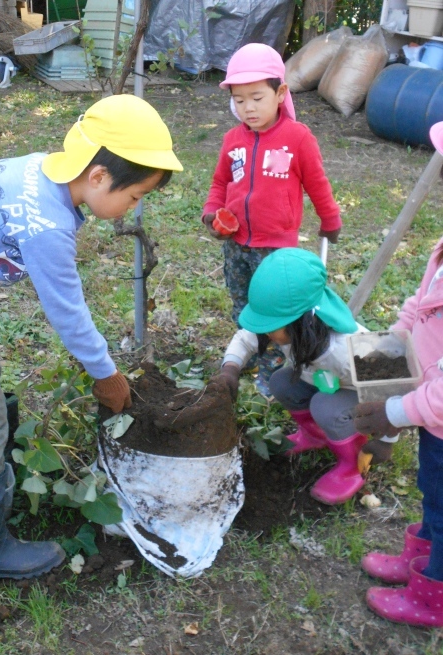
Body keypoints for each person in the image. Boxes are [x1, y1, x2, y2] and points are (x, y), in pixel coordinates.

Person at [0, 94, 183, 582]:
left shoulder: (44, 174)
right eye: (134, 196)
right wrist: (106, 375)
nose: (136, 205)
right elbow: (68, 313)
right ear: (99, 177)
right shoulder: (44, 223)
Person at [216, 247, 399, 505]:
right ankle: (315, 436)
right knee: (282, 381)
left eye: (269, 325)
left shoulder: (346, 349)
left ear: (303, 321)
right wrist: (230, 369)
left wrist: (387, 440)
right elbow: (246, 337)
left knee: (325, 407)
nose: (263, 330)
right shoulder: (285, 327)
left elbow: (392, 383)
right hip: (325, 380)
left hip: (362, 393)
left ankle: (352, 465)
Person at [353, 122, 443, 628]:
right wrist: (390, 346)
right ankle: (423, 565)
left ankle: (434, 597)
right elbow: (423, 303)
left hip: (438, 410)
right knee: (435, 493)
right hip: (435, 418)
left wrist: (391, 410)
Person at [202, 43, 342, 324]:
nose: (248, 108)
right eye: (239, 100)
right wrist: (211, 212)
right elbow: (221, 182)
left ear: (280, 93)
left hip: (277, 246)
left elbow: (317, 184)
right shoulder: (233, 140)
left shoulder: (298, 138)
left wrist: (330, 219)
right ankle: (246, 351)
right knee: (241, 299)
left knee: (275, 306)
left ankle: (274, 361)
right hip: (236, 242)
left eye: (256, 98)